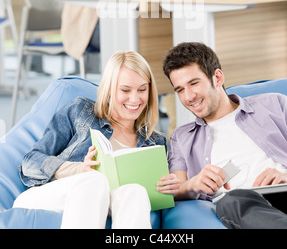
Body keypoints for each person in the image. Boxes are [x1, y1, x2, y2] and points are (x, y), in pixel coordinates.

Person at [13, 50, 179, 229]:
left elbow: (159, 196)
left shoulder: (156, 143)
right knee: (94, 180)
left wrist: (171, 187)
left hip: (105, 202)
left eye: (142, 89)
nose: (135, 98)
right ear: (109, 88)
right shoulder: (81, 111)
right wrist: (78, 169)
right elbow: (31, 162)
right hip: (51, 196)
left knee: (136, 192)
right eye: (125, 90)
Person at [158, 42, 287, 229]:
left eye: (194, 83)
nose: (189, 97)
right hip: (244, 203)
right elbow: (176, 188)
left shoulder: (275, 104)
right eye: (180, 90)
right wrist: (193, 183)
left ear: (217, 77)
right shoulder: (182, 138)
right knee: (232, 201)